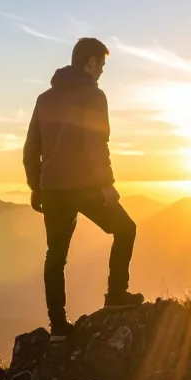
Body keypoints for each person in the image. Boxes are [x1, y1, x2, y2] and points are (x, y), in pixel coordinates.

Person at [24, 37, 143, 341]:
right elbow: (96, 143)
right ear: (90, 62)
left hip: (52, 189)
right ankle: (116, 294)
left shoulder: (44, 99)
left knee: (55, 256)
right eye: (101, 64)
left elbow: (31, 150)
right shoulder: (94, 96)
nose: (102, 70)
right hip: (87, 187)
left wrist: (36, 188)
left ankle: (58, 327)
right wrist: (106, 184)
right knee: (126, 229)